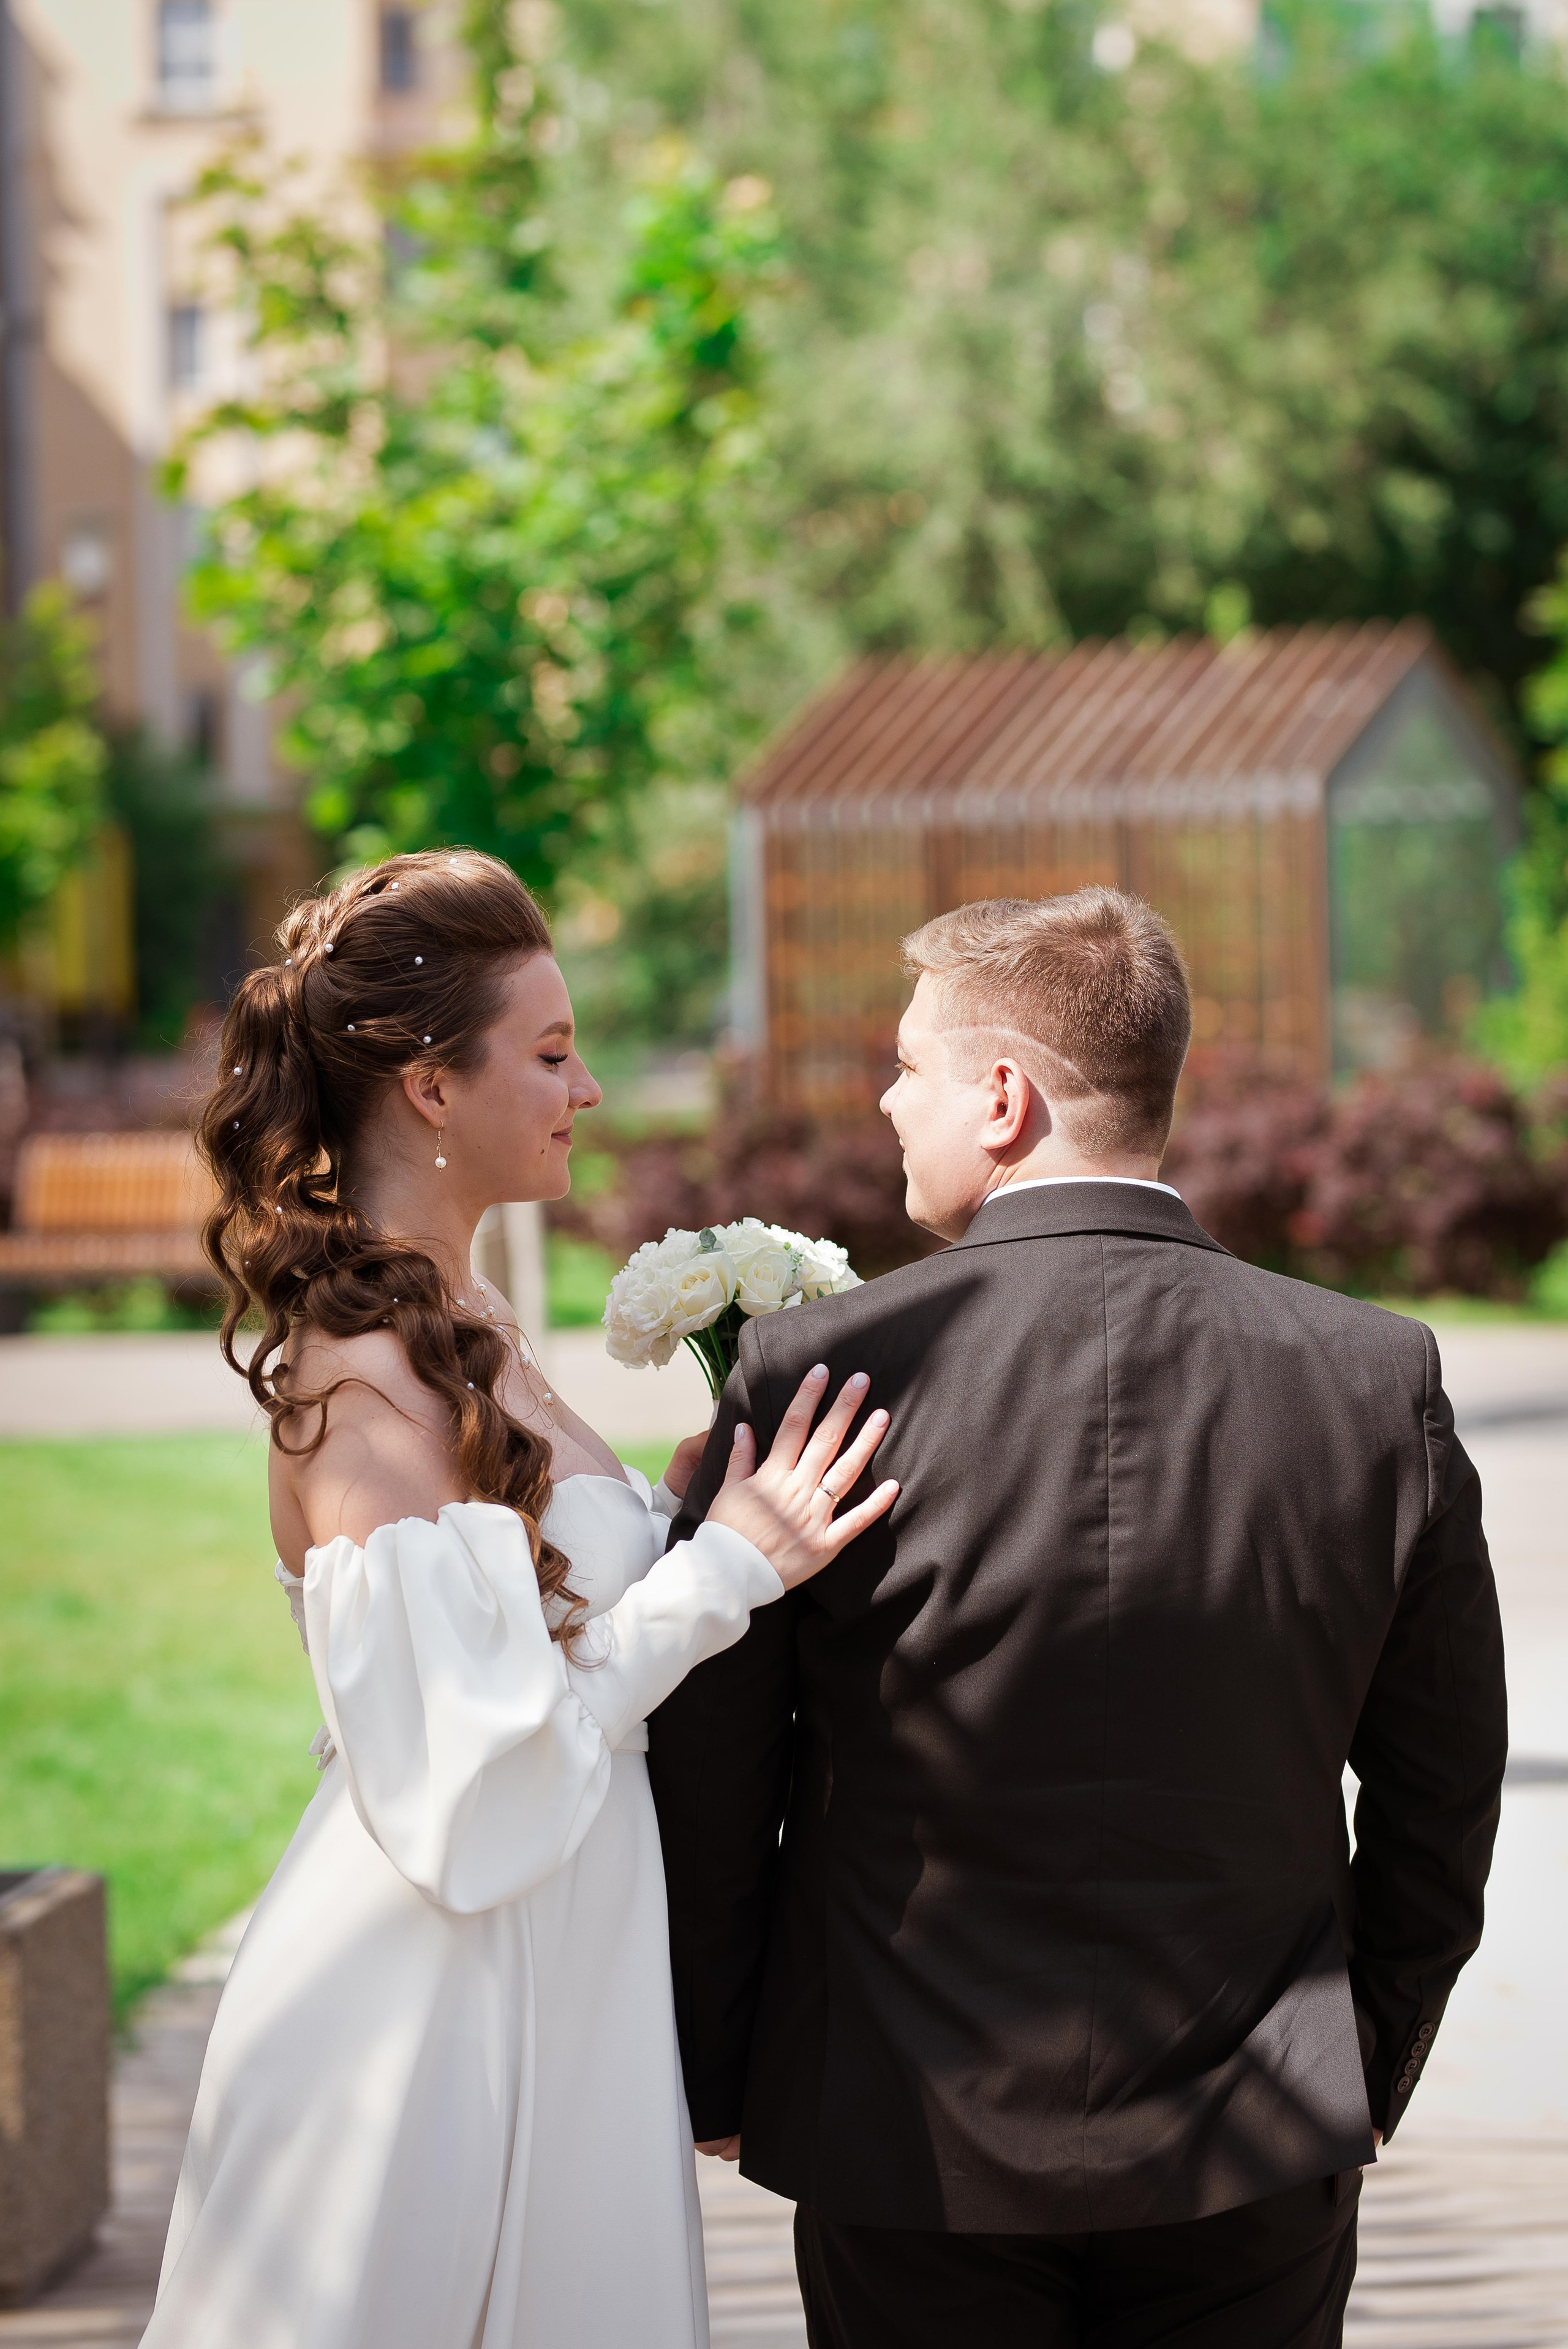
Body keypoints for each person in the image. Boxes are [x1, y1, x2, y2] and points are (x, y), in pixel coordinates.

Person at [649, 886, 1508, 2349]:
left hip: (903, 2128)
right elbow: (1442, 1792)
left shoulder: (816, 1381)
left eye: (909, 1064)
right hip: (1255, 2131)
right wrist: (1355, 2061)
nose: (884, 1096)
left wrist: (722, 2069)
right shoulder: (1372, 1382)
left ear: (1002, 1097)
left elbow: (715, 1777)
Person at [145, 848, 897, 2349]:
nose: (591, 1088)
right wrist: (726, 1567)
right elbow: (475, 1787)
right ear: (429, 1086)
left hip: (567, 1963)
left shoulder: (469, 1317)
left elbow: (554, 1621)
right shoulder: (357, 1372)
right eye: (550, 1054)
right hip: (432, 2013)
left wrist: (683, 1512)